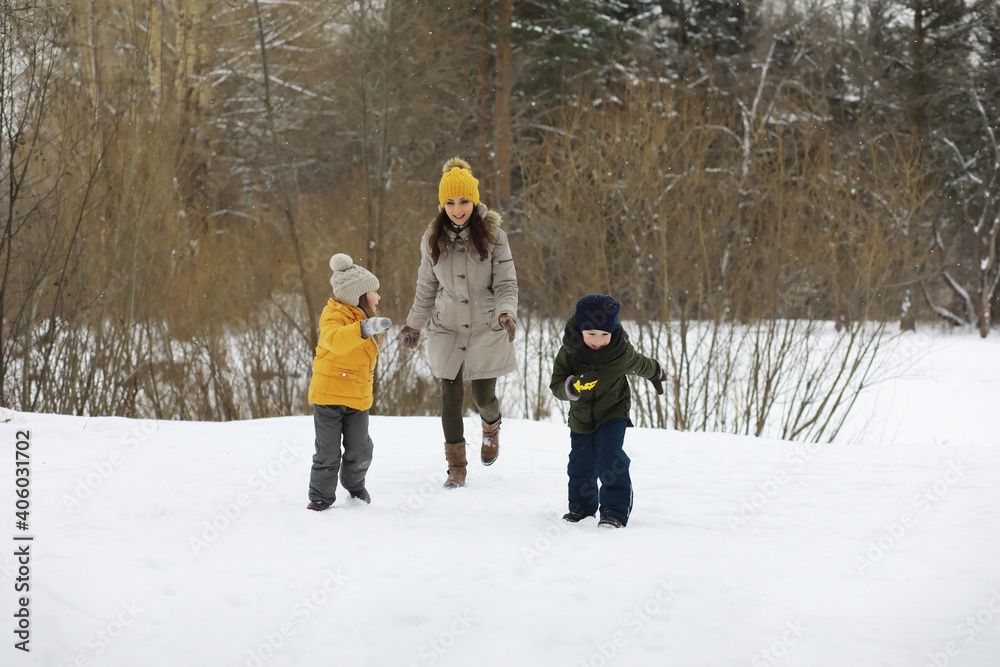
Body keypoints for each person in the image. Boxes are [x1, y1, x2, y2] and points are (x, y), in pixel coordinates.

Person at [397, 157, 518, 488]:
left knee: (482, 397)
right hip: (445, 326)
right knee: (449, 396)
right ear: (442, 203)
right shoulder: (432, 239)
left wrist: (507, 312)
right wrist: (414, 325)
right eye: (450, 202)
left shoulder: (494, 237)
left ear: (474, 200)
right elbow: (426, 286)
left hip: (485, 325)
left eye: (464, 201)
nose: (457, 208)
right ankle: (456, 468)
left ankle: (491, 426)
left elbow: (507, 283)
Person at [549, 294, 666, 528]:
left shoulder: (620, 353)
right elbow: (556, 386)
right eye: (591, 334)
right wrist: (572, 386)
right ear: (580, 330)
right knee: (580, 462)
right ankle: (581, 510)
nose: (598, 340)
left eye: (605, 334)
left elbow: (642, 364)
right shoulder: (569, 352)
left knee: (610, 458)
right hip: (581, 416)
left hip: (613, 412)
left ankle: (615, 511)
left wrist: (657, 372)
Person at [306, 253, 392, 511]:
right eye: (373, 292)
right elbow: (335, 340)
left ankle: (354, 485)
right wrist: (364, 329)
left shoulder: (366, 320)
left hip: (357, 399)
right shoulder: (334, 315)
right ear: (358, 296)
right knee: (328, 454)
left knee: (360, 449)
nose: (378, 298)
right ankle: (320, 497)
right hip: (328, 398)